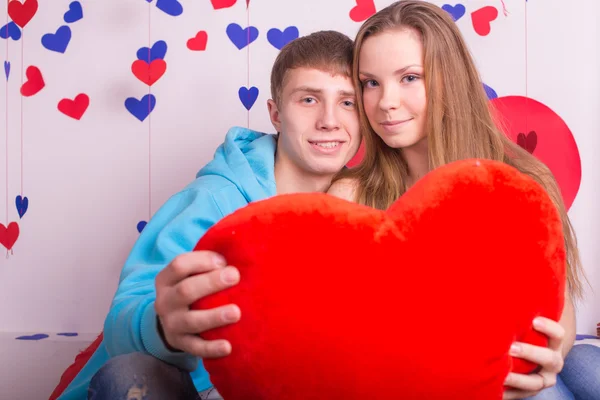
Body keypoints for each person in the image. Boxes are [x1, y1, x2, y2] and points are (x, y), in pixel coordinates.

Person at [56, 30, 361, 400]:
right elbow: (125, 314)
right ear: (276, 114)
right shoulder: (214, 200)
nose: (329, 120)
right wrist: (163, 328)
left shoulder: (363, 211)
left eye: (348, 102)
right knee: (128, 374)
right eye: (309, 99)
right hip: (186, 387)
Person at [326, 1, 595, 400]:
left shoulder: (521, 182)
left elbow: (557, 315)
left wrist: (543, 358)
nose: (386, 102)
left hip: (512, 372)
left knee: (579, 371)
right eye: (371, 83)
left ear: (449, 79)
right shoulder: (352, 197)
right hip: (422, 384)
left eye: (409, 77)